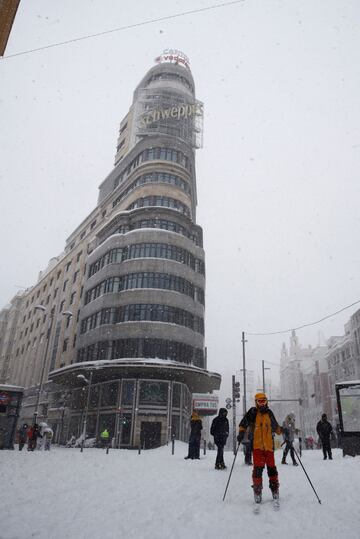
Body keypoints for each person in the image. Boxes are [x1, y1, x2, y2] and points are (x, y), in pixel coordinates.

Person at [237, 392, 283, 504]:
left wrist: (282, 430)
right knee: (257, 470)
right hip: (257, 446)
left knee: (272, 469)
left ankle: (275, 489)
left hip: (268, 447)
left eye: (264, 401)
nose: (262, 404)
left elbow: (276, 428)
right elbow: (243, 423)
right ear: (256, 402)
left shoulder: (269, 413)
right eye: (260, 401)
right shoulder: (253, 412)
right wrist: (241, 432)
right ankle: (257, 492)